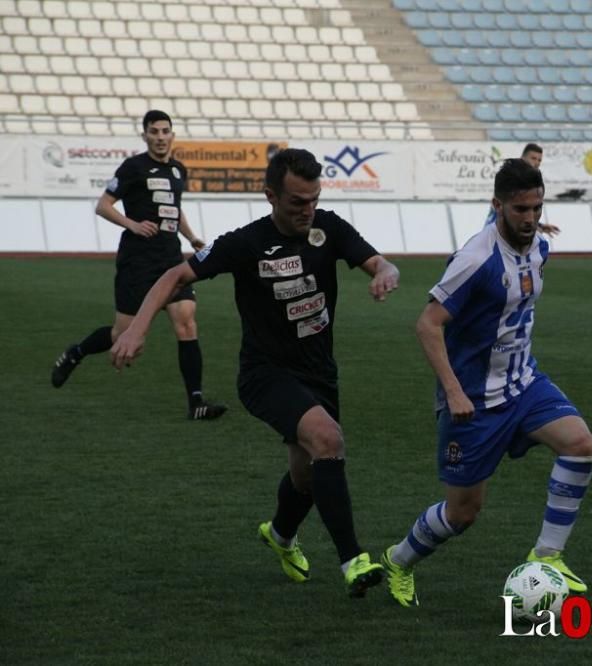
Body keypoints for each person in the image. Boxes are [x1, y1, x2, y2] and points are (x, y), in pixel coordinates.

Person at [110, 149, 400, 597]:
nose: (308, 210)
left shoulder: (330, 228)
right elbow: (173, 276)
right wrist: (137, 331)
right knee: (328, 439)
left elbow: (379, 262)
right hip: (265, 374)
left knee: (307, 474)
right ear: (270, 196)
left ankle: (280, 535)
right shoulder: (244, 243)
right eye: (297, 202)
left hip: (319, 373)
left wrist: (386, 272)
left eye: (314, 199)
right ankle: (353, 560)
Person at [379, 159, 592, 608]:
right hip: (473, 401)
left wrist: (532, 227)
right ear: (497, 205)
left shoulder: (539, 246)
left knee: (580, 445)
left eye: (536, 207)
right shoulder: (475, 259)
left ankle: (547, 555)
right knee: (463, 513)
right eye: (520, 209)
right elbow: (427, 324)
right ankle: (398, 560)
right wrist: (455, 391)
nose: (531, 218)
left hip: (523, 383)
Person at [49, 110, 225, 420]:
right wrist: (132, 225)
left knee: (186, 320)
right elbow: (103, 206)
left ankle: (196, 402)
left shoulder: (177, 169)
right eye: (154, 131)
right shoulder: (133, 167)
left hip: (171, 258)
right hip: (137, 261)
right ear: (144, 135)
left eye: (165, 131)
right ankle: (75, 353)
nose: (160, 137)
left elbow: (174, 210)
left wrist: (192, 237)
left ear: (172, 135)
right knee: (123, 334)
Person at [484, 143, 559, 236]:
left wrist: (540, 226)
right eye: (533, 158)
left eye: (539, 160)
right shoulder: (511, 177)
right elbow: (505, 212)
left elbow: (519, 212)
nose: (537, 163)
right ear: (523, 158)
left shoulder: (529, 182)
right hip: (497, 238)